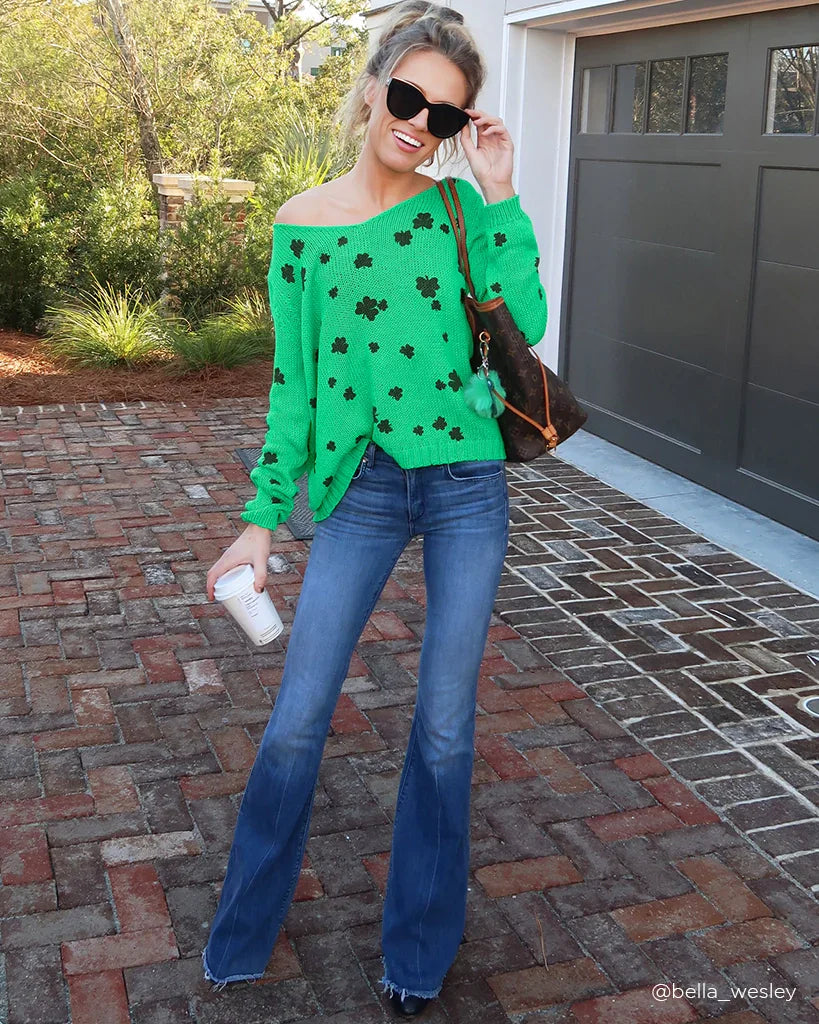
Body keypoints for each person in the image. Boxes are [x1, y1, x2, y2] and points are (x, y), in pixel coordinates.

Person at [201, 1, 548, 1018]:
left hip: (467, 485)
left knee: (443, 727)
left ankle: (418, 947)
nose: (418, 123)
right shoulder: (300, 225)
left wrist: (500, 192)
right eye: (406, 97)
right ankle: (243, 930)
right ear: (370, 89)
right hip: (360, 489)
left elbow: (525, 323)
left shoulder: (459, 212)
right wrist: (262, 517)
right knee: (297, 717)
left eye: (444, 114)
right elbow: (295, 387)